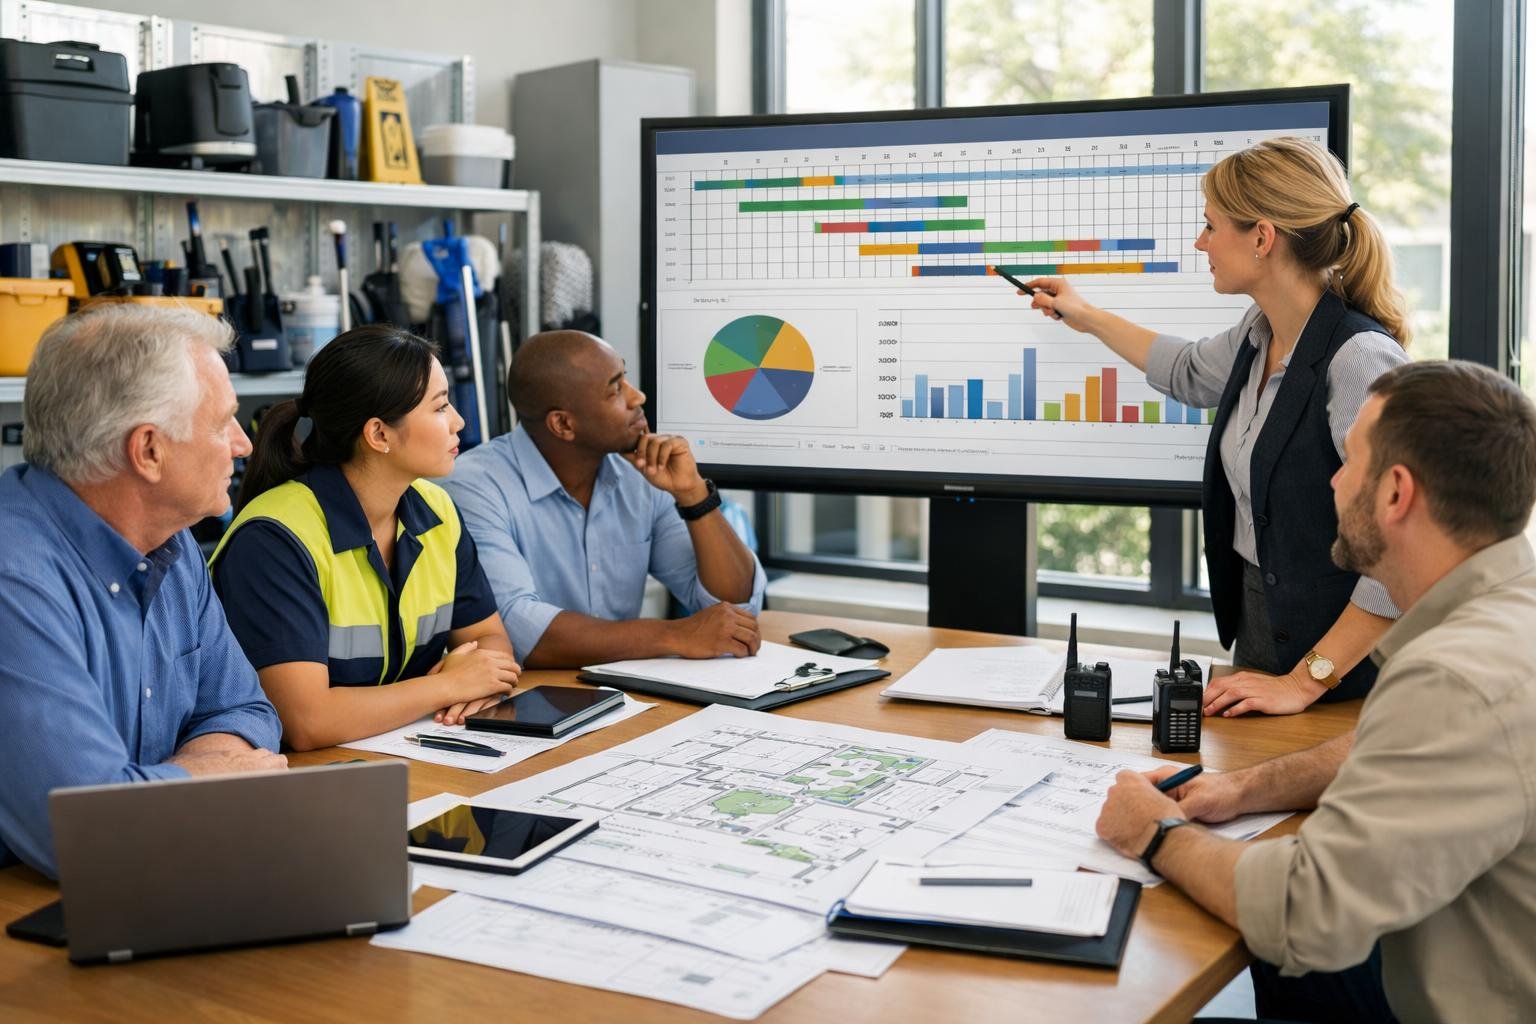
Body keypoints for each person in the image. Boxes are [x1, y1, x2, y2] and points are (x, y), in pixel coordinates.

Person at [1096, 360, 1536, 1024]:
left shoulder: (1457, 677)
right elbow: (1386, 745)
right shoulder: (1507, 616)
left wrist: (1155, 834)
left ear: (1394, 493)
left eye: (1348, 458)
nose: (1331, 479)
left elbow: (1307, 912)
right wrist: (1243, 789)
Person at [1024, 137, 1409, 716]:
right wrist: (1084, 315)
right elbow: (1184, 370)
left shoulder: (1358, 360)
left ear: (1262, 236)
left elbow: (1396, 552)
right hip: (1264, 642)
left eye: (1210, 226)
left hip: (1344, 675)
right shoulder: (1262, 332)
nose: (1200, 242)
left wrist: (1307, 681)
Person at [0, 305, 285, 879]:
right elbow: (81, 826)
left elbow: (245, 708)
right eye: (223, 422)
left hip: (151, 865)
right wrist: (213, 777)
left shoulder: (172, 547)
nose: (243, 444)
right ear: (149, 450)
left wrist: (173, 785)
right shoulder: (16, 578)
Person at [210, 327, 519, 751]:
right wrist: (448, 687)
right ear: (378, 435)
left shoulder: (437, 510)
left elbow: (490, 640)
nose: (459, 422)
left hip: (406, 753)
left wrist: (478, 682)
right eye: (441, 406)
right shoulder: (274, 539)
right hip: (308, 784)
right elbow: (306, 721)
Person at [442, 330, 766, 669]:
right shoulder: (474, 486)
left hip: (624, 695)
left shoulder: (640, 476)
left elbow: (737, 612)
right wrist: (676, 635)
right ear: (564, 424)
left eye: (625, 378)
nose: (637, 396)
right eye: (615, 389)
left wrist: (693, 494)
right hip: (526, 696)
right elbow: (519, 632)